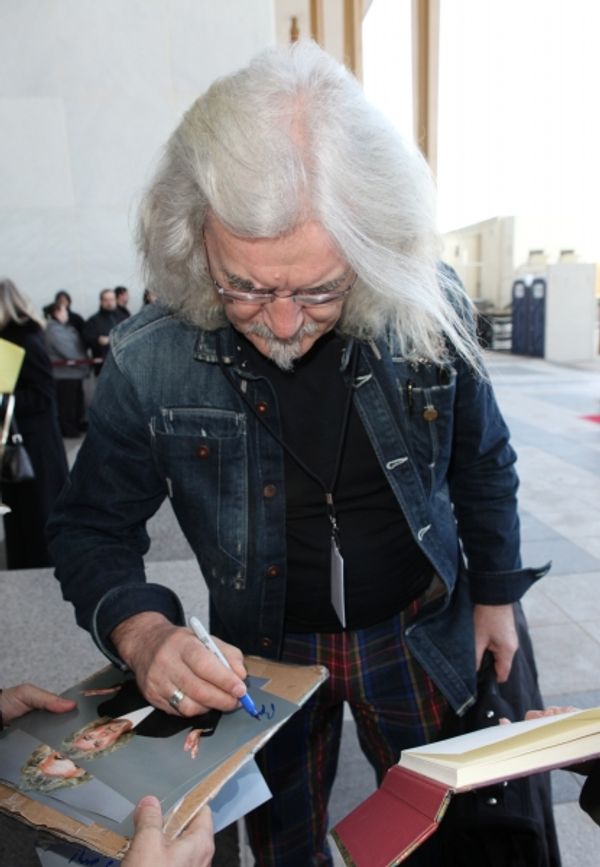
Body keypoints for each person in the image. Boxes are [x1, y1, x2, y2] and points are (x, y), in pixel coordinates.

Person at [47, 42, 553, 866]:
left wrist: (495, 594)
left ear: (374, 245)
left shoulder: (425, 306)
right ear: (192, 240)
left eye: (320, 288)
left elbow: (483, 458)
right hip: (262, 655)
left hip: (418, 628)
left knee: (442, 834)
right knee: (283, 844)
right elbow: (88, 528)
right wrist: (142, 636)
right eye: (243, 285)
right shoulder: (151, 358)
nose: (283, 324)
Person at [0, 684, 215, 867]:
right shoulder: (160, 735)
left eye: (59, 756)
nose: (100, 735)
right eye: (96, 743)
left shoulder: (106, 706)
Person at [0, 278, 68, 568]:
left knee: (37, 512)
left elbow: (42, 396)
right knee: (18, 514)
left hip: (35, 444)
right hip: (16, 440)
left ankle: (40, 567)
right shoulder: (10, 339)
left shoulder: (26, 339)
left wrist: (5, 401)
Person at [44, 302, 89, 437]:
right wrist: (83, 362)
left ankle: (75, 425)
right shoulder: (54, 330)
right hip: (64, 374)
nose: (67, 314)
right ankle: (68, 429)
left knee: (76, 404)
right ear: (56, 312)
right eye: (64, 311)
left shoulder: (64, 328)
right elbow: (68, 350)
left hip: (74, 373)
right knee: (67, 406)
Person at [82, 288, 122, 374]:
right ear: (101, 301)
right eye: (106, 300)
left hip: (123, 366)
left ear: (115, 300)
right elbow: (86, 340)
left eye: (112, 299)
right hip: (103, 367)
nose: (109, 303)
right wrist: (97, 340)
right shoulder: (93, 321)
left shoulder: (123, 317)